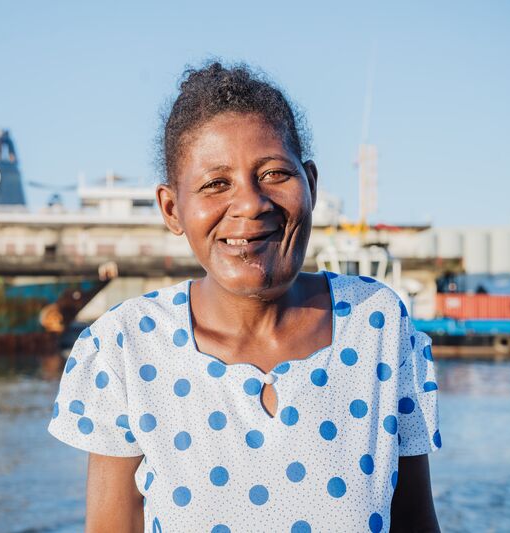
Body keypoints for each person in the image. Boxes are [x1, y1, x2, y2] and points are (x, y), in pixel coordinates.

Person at [48, 61, 442, 533]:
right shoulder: (125, 347)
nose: (252, 203)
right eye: (216, 184)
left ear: (311, 184)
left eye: (274, 174)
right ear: (172, 209)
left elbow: (416, 521)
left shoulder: (377, 323)